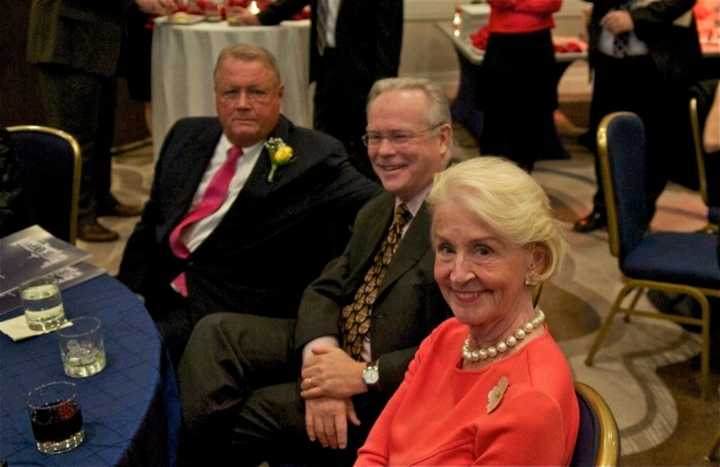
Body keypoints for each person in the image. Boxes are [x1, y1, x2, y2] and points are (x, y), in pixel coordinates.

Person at [177, 77, 455, 466]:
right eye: (374, 138)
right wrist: (321, 357)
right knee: (216, 332)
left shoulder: (457, 221)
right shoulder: (380, 208)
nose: (384, 152)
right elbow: (325, 288)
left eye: (400, 136)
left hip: (391, 391)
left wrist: (360, 375)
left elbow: (461, 347)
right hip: (341, 347)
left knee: (250, 412)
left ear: (443, 139)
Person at [117, 44, 379, 365]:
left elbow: (381, 201)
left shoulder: (315, 157)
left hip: (224, 311)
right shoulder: (184, 135)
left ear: (279, 95)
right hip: (160, 287)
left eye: (256, 92)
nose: (242, 104)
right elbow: (150, 224)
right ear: (215, 94)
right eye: (230, 92)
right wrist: (125, 294)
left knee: (129, 357)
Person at [356, 156, 579, 466]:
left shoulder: (531, 401)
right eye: (447, 249)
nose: (458, 274)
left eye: (483, 250)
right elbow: (375, 451)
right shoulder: (448, 337)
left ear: (535, 261)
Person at [26, 0, 179, 242]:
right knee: (77, 137)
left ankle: (101, 199)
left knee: (101, 132)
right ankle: (79, 216)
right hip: (69, 43)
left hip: (97, 46)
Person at [226, 0, 403, 179]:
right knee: (325, 136)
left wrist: (383, 89)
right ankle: (330, 187)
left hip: (363, 72)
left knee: (361, 140)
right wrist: (260, 19)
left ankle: (367, 194)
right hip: (326, 64)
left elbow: (388, 38)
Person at [573, 0, 702, 232]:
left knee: (654, 145)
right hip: (609, 61)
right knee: (605, 137)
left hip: (653, 65)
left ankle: (638, 215)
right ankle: (604, 208)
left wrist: (637, 18)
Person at [479, 0, 562, 172]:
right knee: (496, 112)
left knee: (533, 111)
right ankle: (488, 174)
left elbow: (553, 3)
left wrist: (515, 3)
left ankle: (525, 170)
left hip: (538, 42)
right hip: (502, 42)